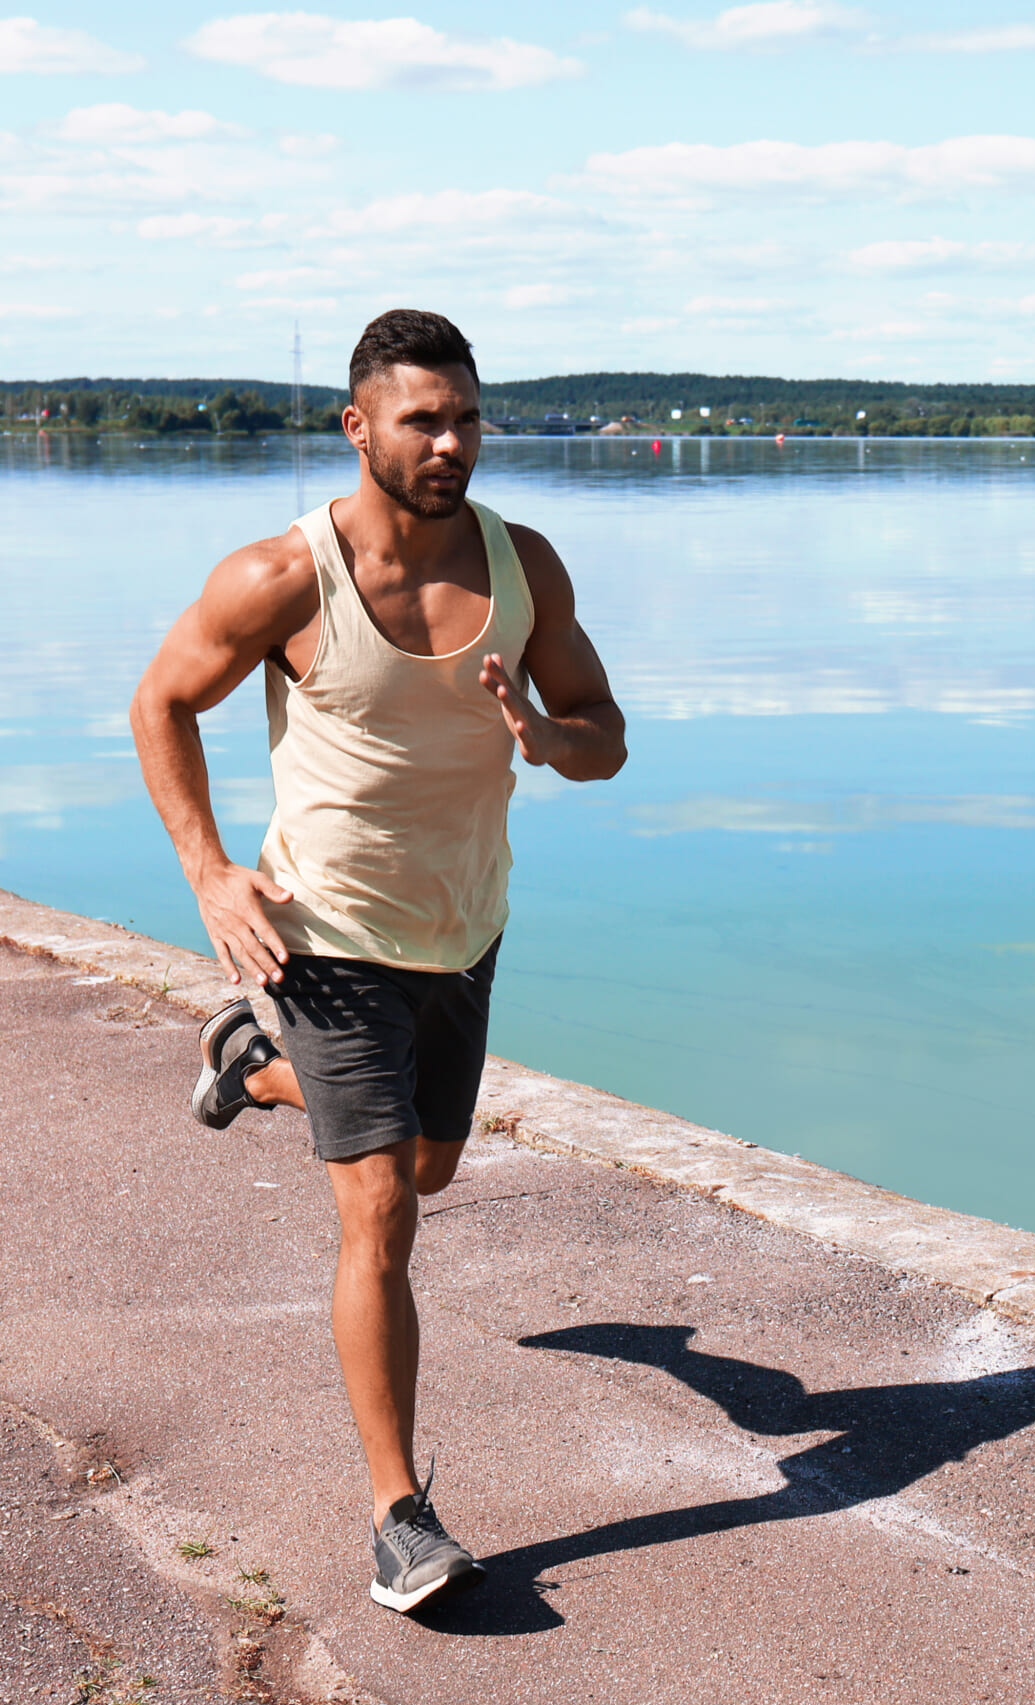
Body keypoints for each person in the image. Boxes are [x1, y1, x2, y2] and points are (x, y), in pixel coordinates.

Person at [130, 308, 627, 1612]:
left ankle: (249, 1062)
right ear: (357, 428)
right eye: (423, 419)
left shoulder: (523, 570)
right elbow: (162, 701)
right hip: (327, 930)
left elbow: (604, 732)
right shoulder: (282, 578)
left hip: (462, 925)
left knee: (432, 1164)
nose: (451, 441)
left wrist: (541, 734)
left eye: (466, 416)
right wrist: (208, 869)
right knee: (380, 1213)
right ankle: (400, 1513)